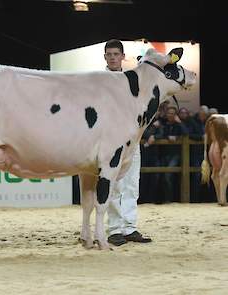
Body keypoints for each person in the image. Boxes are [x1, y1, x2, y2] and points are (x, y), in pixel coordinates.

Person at [104, 39, 152, 246]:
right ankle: (114, 229)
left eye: (116, 54)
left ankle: (130, 227)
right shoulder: (100, 80)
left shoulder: (132, 79)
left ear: (123, 56)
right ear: (105, 57)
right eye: (109, 54)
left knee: (132, 184)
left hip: (132, 138)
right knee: (114, 185)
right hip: (109, 140)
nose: (113, 57)